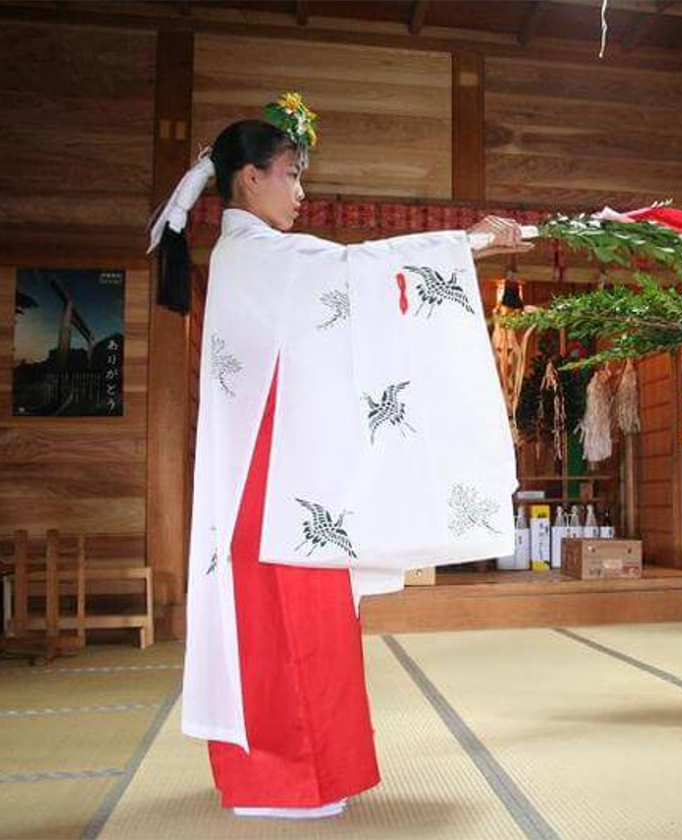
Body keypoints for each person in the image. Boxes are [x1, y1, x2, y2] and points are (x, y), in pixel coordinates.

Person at [149, 93, 528, 818]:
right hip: (272, 480)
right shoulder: (255, 253)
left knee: (307, 619)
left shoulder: (255, 253)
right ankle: (287, 776)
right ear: (249, 179)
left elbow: (337, 295)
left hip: (283, 471)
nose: (300, 192)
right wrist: (467, 242)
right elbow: (352, 272)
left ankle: (303, 772)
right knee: (288, 621)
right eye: (291, 174)